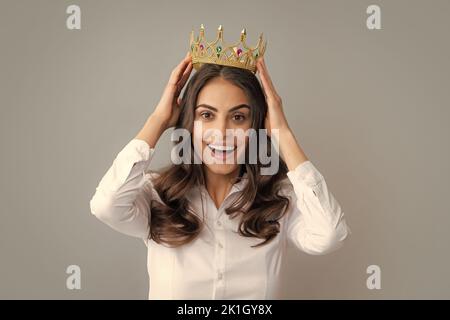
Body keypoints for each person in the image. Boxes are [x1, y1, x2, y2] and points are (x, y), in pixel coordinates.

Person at [89, 51, 351, 299]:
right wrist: (157, 119)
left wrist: (283, 133)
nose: (222, 132)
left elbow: (330, 235)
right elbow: (106, 206)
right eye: (206, 115)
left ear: (257, 125)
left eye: (238, 117)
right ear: (188, 122)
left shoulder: (278, 201)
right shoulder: (157, 195)